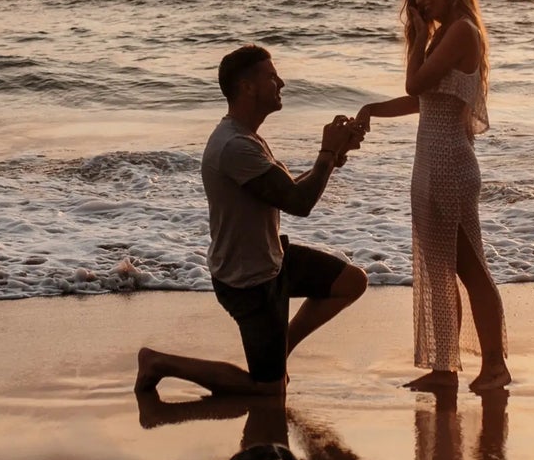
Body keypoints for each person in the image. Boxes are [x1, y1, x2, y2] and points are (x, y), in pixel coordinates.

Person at [136, 45, 368, 396]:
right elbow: (299, 203)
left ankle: (278, 350)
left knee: (352, 281)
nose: (282, 83)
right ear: (247, 87)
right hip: (249, 281)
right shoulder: (234, 146)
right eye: (272, 77)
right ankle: (158, 362)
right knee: (268, 391)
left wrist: (334, 157)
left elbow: (285, 190)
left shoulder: (245, 137)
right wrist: (325, 152)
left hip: (273, 258)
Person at [356, 0, 511, 391]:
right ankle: (445, 369)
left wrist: (418, 37)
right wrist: (371, 110)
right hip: (432, 164)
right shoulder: (451, 35)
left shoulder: (461, 31)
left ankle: (495, 365)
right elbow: (423, 100)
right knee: (442, 270)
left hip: (449, 166)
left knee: (470, 269)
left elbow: (415, 85)